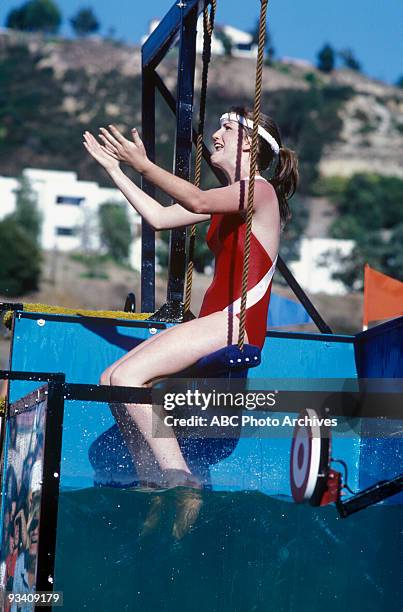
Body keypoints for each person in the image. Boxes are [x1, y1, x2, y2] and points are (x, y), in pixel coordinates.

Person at [83, 106, 298, 513]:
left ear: (249, 143)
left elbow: (195, 197)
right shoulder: (227, 201)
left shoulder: (261, 190)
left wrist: (143, 164)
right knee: (112, 378)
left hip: (235, 323)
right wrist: (116, 170)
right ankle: (150, 480)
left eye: (226, 127)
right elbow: (161, 217)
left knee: (129, 375)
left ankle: (184, 485)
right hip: (216, 321)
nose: (215, 134)